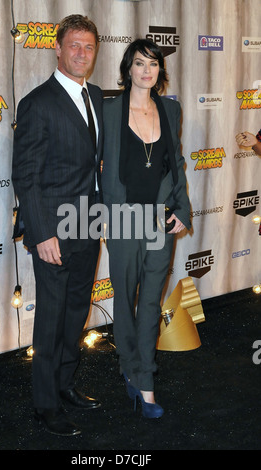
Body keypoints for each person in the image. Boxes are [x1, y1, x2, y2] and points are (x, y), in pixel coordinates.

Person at [12, 14, 103, 436]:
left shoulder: (98, 96)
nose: (82, 53)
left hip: (89, 225)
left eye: (88, 47)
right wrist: (42, 233)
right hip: (53, 231)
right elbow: (25, 176)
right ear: (58, 48)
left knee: (74, 314)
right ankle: (45, 405)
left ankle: (65, 385)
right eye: (74, 46)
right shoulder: (38, 103)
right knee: (50, 319)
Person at [101, 39, 191, 418]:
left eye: (153, 64)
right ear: (128, 69)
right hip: (123, 220)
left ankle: (146, 382)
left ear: (159, 71)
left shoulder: (171, 110)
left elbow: (177, 162)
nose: (146, 70)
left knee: (151, 302)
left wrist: (183, 209)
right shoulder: (108, 111)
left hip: (160, 220)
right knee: (124, 300)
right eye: (139, 63)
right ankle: (130, 369)